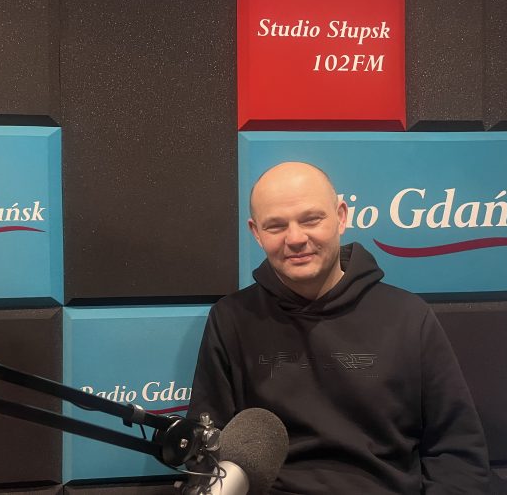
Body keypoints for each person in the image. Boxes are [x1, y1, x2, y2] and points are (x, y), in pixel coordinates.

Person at [187, 162, 490, 494]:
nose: (296, 238)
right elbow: (206, 453)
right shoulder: (231, 319)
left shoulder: (408, 317)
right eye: (276, 226)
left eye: (310, 219)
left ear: (341, 216)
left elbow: (456, 452)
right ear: (256, 232)